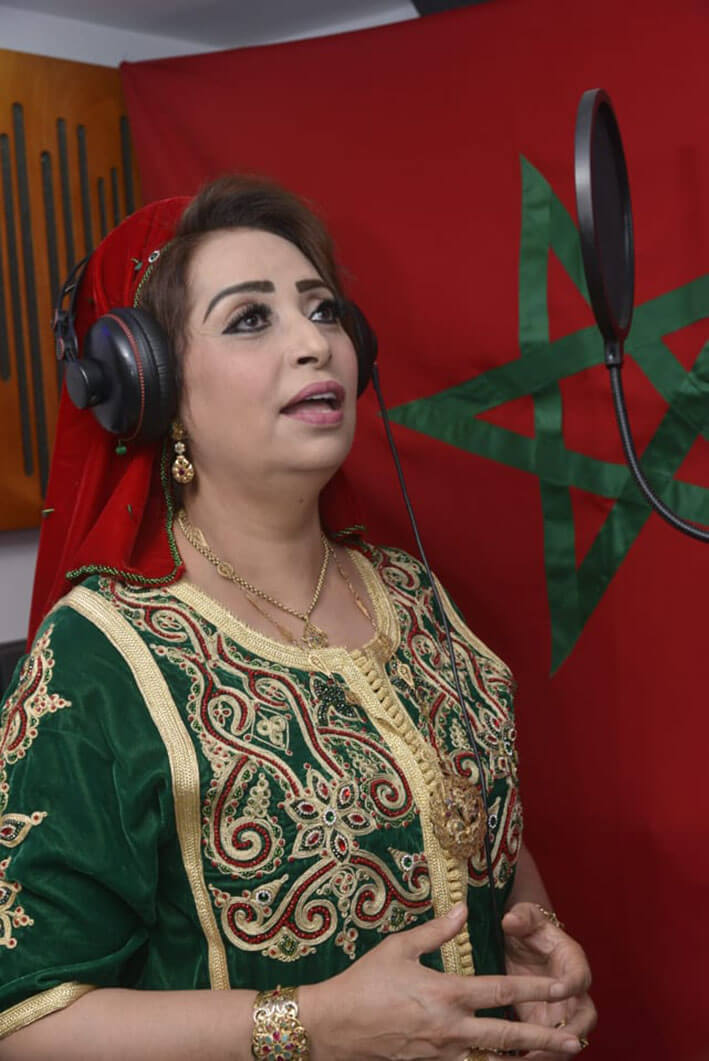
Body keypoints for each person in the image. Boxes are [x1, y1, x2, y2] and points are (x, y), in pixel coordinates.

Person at [0, 175, 595, 1060]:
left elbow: (471, 829)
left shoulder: (411, 594)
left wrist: (529, 937)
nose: (315, 342)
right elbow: (29, 1020)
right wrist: (311, 1022)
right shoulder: (100, 656)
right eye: (250, 318)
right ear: (152, 385)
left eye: (323, 311)